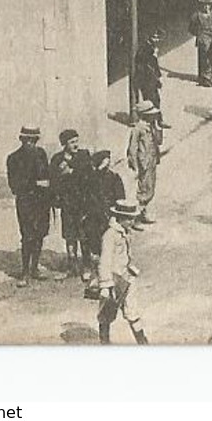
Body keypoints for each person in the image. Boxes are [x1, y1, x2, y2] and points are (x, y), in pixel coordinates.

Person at [5, 125, 51, 284]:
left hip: (42, 201)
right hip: (25, 201)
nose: (30, 143)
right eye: (27, 140)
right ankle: (24, 272)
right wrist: (36, 184)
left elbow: (47, 175)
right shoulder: (13, 158)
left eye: (34, 140)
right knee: (27, 235)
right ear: (21, 140)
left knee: (40, 234)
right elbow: (14, 185)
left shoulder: (41, 154)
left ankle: (35, 268)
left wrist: (46, 185)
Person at [97, 199, 148, 344]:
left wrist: (131, 268)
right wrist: (105, 286)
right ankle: (104, 343)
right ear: (121, 218)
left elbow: (126, 255)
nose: (132, 221)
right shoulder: (110, 235)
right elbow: (104, 261)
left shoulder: (126, 232)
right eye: (130, 218)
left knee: (133, 311)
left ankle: (143, 343)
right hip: (113, 281)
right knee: (106, 314)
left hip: (127, 279)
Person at [80, 150, 122, 298]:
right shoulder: (90, 178)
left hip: (108, 217)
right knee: (94, 247)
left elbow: (120, 199)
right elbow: (85, 196)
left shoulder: (114, 178)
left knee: (109, 248)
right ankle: (96, 278)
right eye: (105, 160)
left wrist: (115, 216)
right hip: (93, 218)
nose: (107, 163)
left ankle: (108, 279)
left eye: (108, 160)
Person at [50, 128, 92, 279]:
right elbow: (52, 181)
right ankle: (72, 265)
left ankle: (86, 266)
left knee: (84, 235)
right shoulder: (56, 159)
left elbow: (88, 175)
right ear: (64, 144)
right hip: (67, 204)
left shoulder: (83, 155)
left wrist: (71, 172)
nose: (76, 145)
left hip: (83, 203)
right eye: (72, 142)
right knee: (69, 235)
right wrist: (60, 176)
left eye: (76, 141)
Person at [125, 102, 161, 227]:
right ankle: (135, 218)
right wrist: (134, 163)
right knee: (143, 189)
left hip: (151, 160)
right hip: (143, 162)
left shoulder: (150, 126)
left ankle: (143, 212)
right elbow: (132, 148)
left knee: (150, 186)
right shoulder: (138, 128)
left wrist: (157, 127)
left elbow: (158, 141)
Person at [131, 30, 164, 116]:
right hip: (147, 78)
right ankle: (154, 120)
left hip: (151, 77)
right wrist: (154, 55)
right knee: (151, 101)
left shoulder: (151, 46)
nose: (157, 40)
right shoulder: (145, 47)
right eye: (155, 38)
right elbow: (147, 61)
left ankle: (158, 119)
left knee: (156, 99)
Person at [189, 0, 212, 86]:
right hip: (203, 38)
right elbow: (191, 28)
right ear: (202, 5)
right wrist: (199, 35)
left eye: (208, 5)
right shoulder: (197, 15)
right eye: (205, 5)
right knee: (205, 58)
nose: (206, 7)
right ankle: (205, 78)